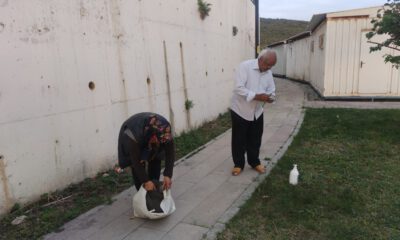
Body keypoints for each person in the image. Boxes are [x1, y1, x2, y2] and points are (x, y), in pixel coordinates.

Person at [230, 49, 277, 176]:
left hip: (257, 111)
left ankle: (254, 161)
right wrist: (256, 96)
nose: (269, 68)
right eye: (267, 65)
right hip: (240, 109)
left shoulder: (268, 72)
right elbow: (238, 88)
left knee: (255, 138)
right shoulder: (245, 66)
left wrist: (270, 97)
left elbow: (272, 90)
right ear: (261, 59)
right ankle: (238, 164)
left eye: (271, 66)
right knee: (239, 139)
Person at [117, 112, 175, 191]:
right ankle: (142, 190)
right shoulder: (132, 136)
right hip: (132, 131)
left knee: (156, 157)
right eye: (159, 140)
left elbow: (170, 152)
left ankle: (153, 187)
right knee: (139, 164)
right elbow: (135, 161)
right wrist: (145, 181)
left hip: (149, 133)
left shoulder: (165, 130)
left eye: (163, 140)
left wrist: (168, 174)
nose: (162, 141)